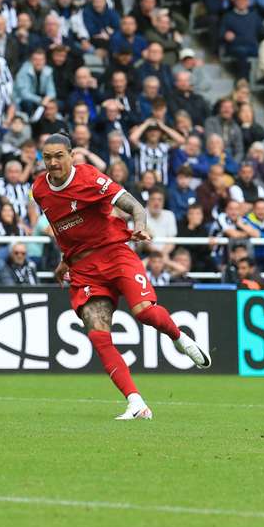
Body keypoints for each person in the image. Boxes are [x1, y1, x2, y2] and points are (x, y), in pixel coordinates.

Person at [31, 133, 211, 421]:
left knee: (144, 313)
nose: (52, 162)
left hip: (115, 253)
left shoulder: (90, 178)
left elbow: (135, 206)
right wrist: (65, 260)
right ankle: (136, 402)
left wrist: (140, 226)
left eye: (58, 156)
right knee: (97, 332)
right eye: (47, 157)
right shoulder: (39, 189)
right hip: (84, 268)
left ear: (71, 154)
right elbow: (62, 227)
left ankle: (178, 338)